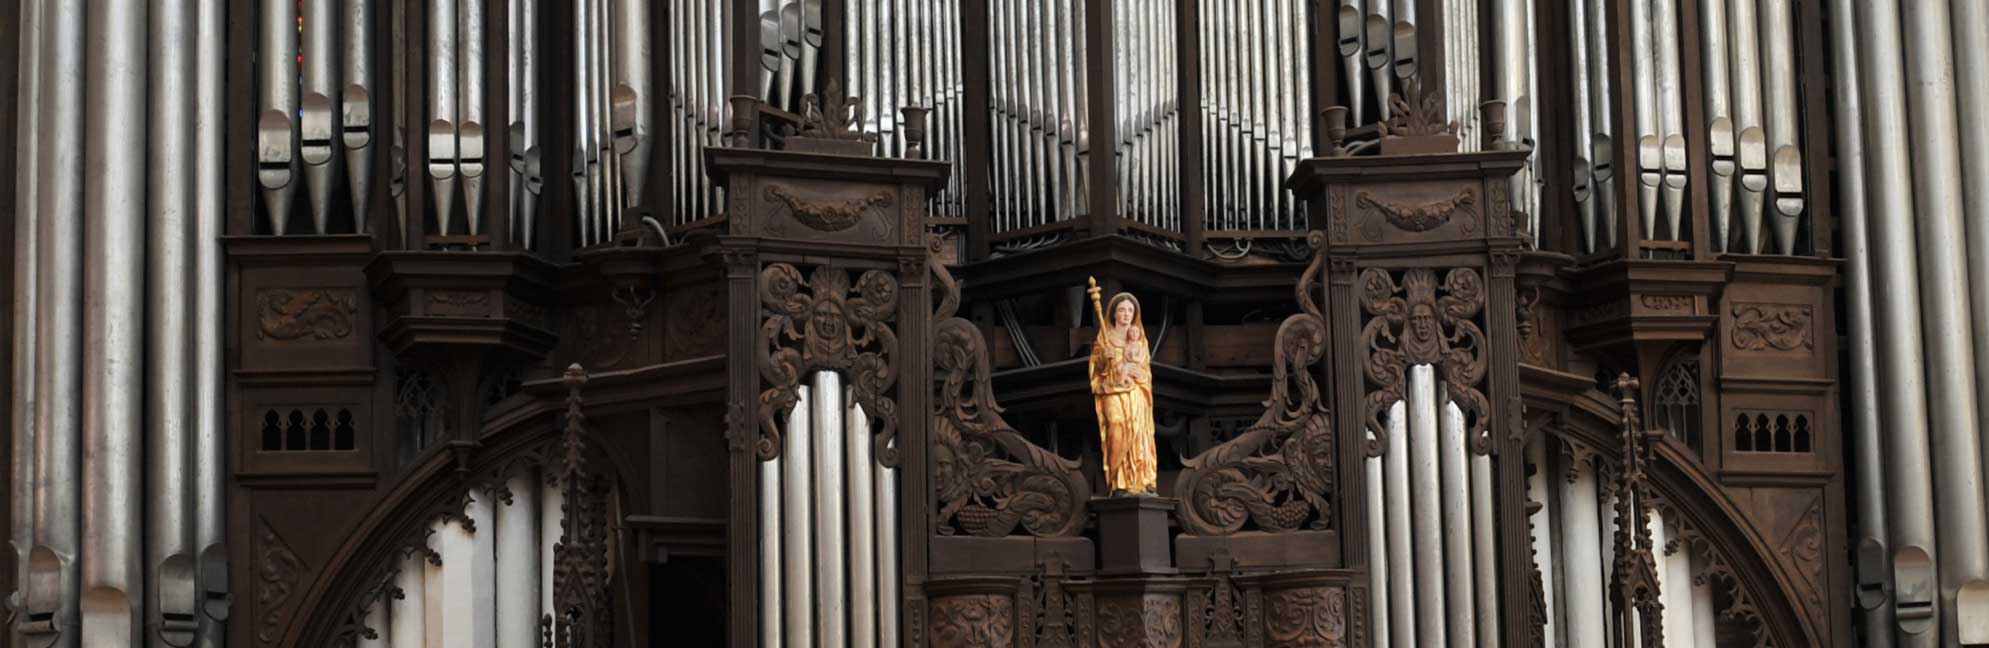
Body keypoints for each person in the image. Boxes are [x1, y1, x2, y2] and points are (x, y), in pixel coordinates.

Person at [1087, 277, 1157, 496]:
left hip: (1135, 391)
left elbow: (1145, 369)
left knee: (1138, 432)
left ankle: (1140, 481)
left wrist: (1141, 375)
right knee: (1117, 426)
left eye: (1130, 311)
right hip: (1111, 388)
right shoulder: (1104, 338)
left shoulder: (1139, 340)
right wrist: (1102, 358)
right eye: (1122, 310)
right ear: (1114, 313)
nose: (1126, 314)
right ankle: (1118, 481)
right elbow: (1095, 368)